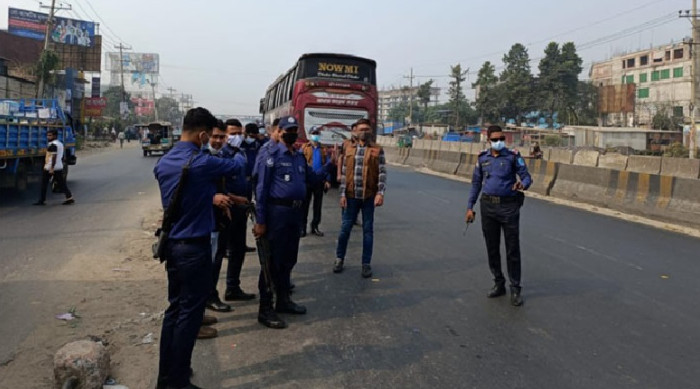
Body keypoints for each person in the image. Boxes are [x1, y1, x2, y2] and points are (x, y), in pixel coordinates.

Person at [153, 107, 243, 389]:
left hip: (173, 246)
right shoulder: (202, 162)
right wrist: (234, 146)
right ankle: (178, 381)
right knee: (189, 319)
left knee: (174, 312)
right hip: (195, 248)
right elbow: (237, 166)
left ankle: (166, 377)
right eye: (210, 137)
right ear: (203, 134)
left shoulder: (164, 162)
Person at [253, 116, 327, 329]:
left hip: (295, 214)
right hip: (276, 213)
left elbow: (312, 178)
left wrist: (331, 165)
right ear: (278, 131)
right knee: (271, 262)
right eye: (288, 130)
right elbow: (261, 189)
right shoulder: (270, 155)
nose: (292, 133)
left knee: (288, 259)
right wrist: (261, 220)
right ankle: (265, 309)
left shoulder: (298, 156)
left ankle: (283, 300)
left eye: (295, 129)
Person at [465, 125, 532, 307]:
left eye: (501, 138)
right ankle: (498, 281)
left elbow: (527, 177)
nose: (499, 142)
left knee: (512, 249)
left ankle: (515, 287)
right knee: (492, 248)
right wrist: (469, 207)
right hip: (488, 206)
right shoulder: (482, 158)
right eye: (495, 139)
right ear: (488, 140)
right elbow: (476, 183)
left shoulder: (513, 157)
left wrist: (522, 185)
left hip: (508, 206)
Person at [334, 119, 387, 278]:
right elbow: (344, 173)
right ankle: (339, 259)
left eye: (367, 129)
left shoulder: (377, 150)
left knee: (368, 231)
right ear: (355, 131)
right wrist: (342, 194)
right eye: (362, 129)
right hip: (350, 196)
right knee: (345, 230)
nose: (365, 132)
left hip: (369, 197)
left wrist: (380, 193)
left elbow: (382, 173)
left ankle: (365, 264)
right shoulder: (348, 147)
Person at [221, 121, 257, 302]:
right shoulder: (221, 154)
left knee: (238, 250)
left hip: (241, 208)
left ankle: (232, 287)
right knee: (221, 252)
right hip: (226, 208)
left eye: (239, 133)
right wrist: (235, 198)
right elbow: (217, 187)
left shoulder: (240, 152)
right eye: (233, 133)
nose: (237, 136)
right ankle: (211, 295)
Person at [301, 126, 331, 237]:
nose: (316, 135)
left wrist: (327, 179)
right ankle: (302, 228)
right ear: (310, 135)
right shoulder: (304, 148)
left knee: (317, 206)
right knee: (304, 206)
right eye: (314, 133)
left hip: (319, 181)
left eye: (317, 133)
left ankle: (315, 226)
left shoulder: (323, 149)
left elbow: (327, 165)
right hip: (307, 181)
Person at [34, 129, 74, 206]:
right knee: (62, 184)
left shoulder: (52, 145)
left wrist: (51, 168)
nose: (48, 137)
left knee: (44, 184)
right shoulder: (60, 144)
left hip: (51, 167)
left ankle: (41, 200)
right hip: (58, 166)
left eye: (50, 135)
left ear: (55, 136)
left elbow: (54, 157)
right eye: (47, 135)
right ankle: (69, 198)